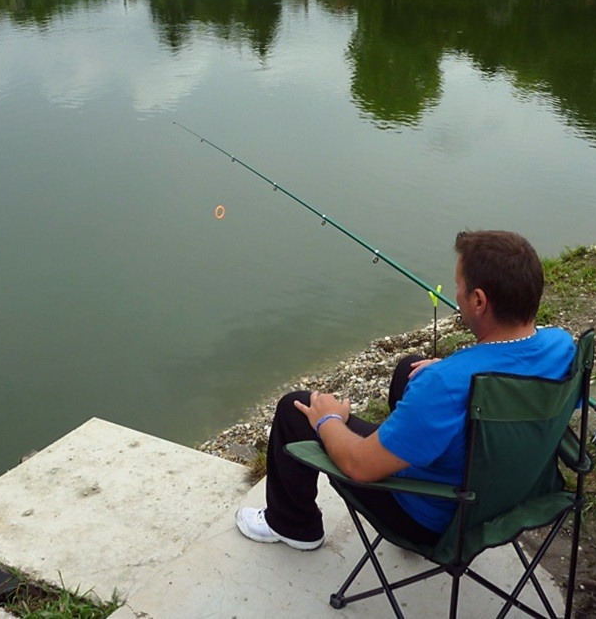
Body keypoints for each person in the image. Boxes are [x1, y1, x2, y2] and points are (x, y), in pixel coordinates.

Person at [235, 230, 577, 550]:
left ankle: (295, 526)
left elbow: (358, 467)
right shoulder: (562, 347)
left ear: (478, 300)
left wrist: (329, 421)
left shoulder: (445, 385)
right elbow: (509, 374)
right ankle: (403, 439)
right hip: (508, 493)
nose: (455, 294)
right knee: (409, 369)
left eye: (458, 285)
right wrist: (445, 371)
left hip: (436, 518)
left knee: (296, 408)